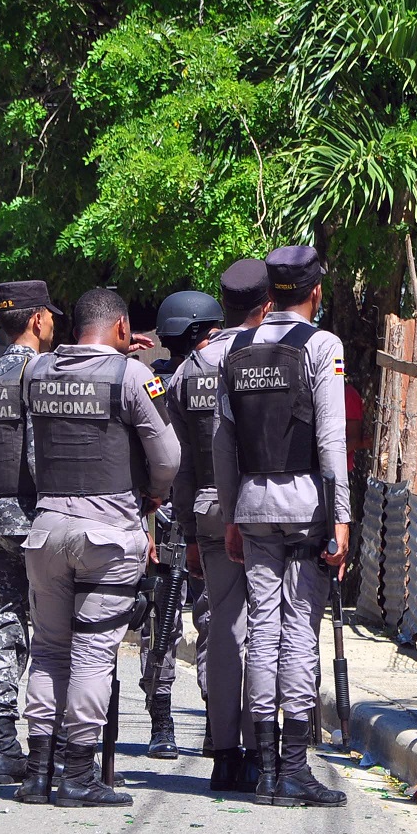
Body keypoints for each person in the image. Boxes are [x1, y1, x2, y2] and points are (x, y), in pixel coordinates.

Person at [15, 289, 180, 808]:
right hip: (107, 535)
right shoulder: (132, 377)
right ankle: (80, 776)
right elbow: (169, 455)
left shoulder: (36, 371)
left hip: (45, 530)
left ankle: (37, 773)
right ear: (123, 327)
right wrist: (154, 493)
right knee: (91, 653)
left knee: (46, 650)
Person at [214, 245, 350, 808]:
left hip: (252, 506)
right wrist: (342, 518)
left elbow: (223, 442)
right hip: (304, 509)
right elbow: (331, 441)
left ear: (270, 295)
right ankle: (293, 767)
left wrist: (230, 515)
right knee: (298, 633)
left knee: (262, 632)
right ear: (315, 292)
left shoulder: (235, 348)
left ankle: (266, 769)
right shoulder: (322, 345)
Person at [170, 260, 271, 791]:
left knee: (224, 631)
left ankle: (223, 754)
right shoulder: (272, 357)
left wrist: (186, 532)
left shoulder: (190, 369)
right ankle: (260, 752)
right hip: (265, 508)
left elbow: (181, 464)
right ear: (266, 306)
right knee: (266, 631)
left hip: (208, 512)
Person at [0, 280, 63, 784]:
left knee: (0, 626)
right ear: (37, 320)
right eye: (50, 315)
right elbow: (38, 453)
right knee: (51, 631)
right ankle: (55, 749)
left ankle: (4, 746)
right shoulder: (38, 372)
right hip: (34, 518)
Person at [139, 290, 226, 760]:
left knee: (161, 622)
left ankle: (163, 722)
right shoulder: (217, 375)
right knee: (213, 617)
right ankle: (216, 720)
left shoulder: (152, 384)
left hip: (165, 517)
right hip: (204, 516)